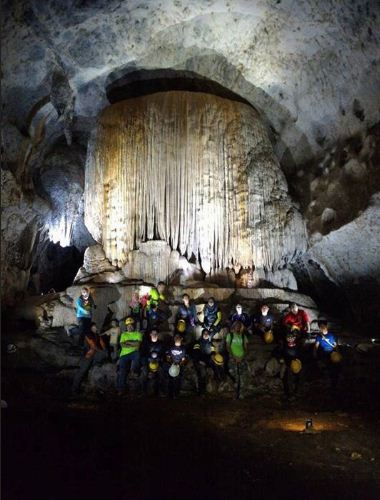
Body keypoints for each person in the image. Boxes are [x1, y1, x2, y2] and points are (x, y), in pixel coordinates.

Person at [72, 322, 107, 394]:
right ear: (91, 328)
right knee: (82, 371)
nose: (96, 328)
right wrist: (101, 351)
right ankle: (74, 389)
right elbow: (92, 345)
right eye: (94, 327)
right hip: (88, 355)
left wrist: (104, 350)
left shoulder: (96, 335)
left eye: (96, 327)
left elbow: (102, 344)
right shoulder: (88, 335)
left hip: (95, 355)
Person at [192, 329, 224, 395]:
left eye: (207, 333)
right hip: (200, 361)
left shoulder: (210, 343)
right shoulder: (198, 342)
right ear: (202, 334)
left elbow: (213, 351)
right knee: (202, 373)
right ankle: (201, 391)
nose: (206, 334)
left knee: (217, 367)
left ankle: (218, 385)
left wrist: (213, 355)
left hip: (208, 360)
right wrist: (200, 361)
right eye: (204, 333)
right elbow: (196, 353)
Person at [116, 317, 143, 395]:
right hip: (124, 354)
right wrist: (133, 343)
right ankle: (121, 389)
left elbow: (138, 345)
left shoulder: (138, 334)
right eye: (128, 326)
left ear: (133, 326)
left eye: (131, 325)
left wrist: (127, 342)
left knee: (137, 354)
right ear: (126, 327)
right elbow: (122, 345)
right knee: (122, 372)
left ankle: (135, 371)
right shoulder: (123, 334)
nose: (130, 327)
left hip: (134, 353)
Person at [314, 320, 340, 391]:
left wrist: (338, 352)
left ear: (326, 326)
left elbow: (335, 345)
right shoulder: (319, 336)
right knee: (326, 368)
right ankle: (327, 383)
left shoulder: (332, 335)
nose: (322, 328)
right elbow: (316, 346)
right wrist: (315, 353)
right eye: (320, 327)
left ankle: (333, 384)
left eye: (323, 326)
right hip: (323, 353)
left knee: (334, 369)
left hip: (332, 353)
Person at [226, 321, 249, 399]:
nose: (238, 327)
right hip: (233, 359)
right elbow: (228, 347)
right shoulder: (230, 335)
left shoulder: (243, 336)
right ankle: (235, 394)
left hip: (241, 358)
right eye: (236, 326)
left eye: (239, 326)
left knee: (242, 376)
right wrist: (234, 357)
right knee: (235, 377)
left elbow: (246, 348)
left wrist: (241, 357)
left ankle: (241, 394)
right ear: (234, 327)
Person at [279, 327, 302, 401]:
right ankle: (290, 394)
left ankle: (297, 393)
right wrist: (281, 358)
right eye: (288, 338)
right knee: (289, 380)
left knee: (299, 379)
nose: (290, 339)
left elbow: (302, 355)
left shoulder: (298, 346)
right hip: (289, 365)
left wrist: (298, 360)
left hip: (297, 364)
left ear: (294, 338)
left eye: (291, 338)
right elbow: (279, 353)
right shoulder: (284, 346)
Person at [140, 329, 165, 396]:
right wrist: (148, 360)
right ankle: (143, 392)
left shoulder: (161, 344)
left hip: (158, 363)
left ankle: (161, 391)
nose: (154, 334)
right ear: (150, 334)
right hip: (148, 363)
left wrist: (158, 359)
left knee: (162, 374)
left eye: (156, 333)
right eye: (153, 333)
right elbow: (142, 354)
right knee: (144, 374)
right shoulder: (146, 344)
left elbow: (163, 354)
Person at [165, 334, 187, 398]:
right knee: (170, 379)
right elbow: (168, 357)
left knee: (178, 379)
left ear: (181, 339)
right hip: (171, 364)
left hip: (179, 365)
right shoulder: (170, 347)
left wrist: (179, 364)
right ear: (174, 339)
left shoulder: (183, 349)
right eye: (176, 337)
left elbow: (183, 359)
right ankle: (170, 394)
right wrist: (171, 363)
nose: (177, 339)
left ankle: (176, 393)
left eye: (178, 337)